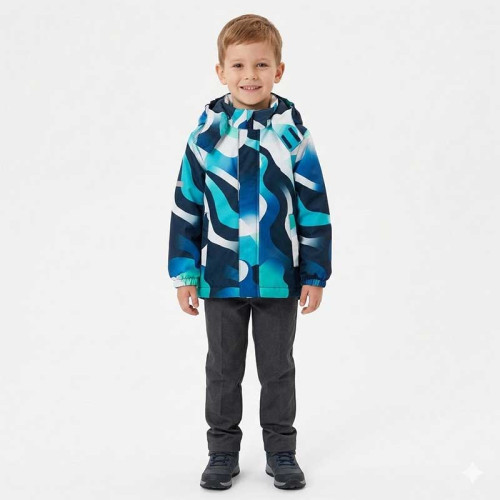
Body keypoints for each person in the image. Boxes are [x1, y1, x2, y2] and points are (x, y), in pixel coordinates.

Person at [168, 13, 332, 490]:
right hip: (220, 278)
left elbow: (314, 206)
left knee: (277, 369)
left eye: (261, 64)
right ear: (221, 71)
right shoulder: (205, 138)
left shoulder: (293, 136)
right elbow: (186, 205)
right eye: (238, 65)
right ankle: (222, 452)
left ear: (278, 70)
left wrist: (315, 274)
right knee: (223, 370)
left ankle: (281, 451)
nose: (250, 75)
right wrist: (185, 273)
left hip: (279, 278)